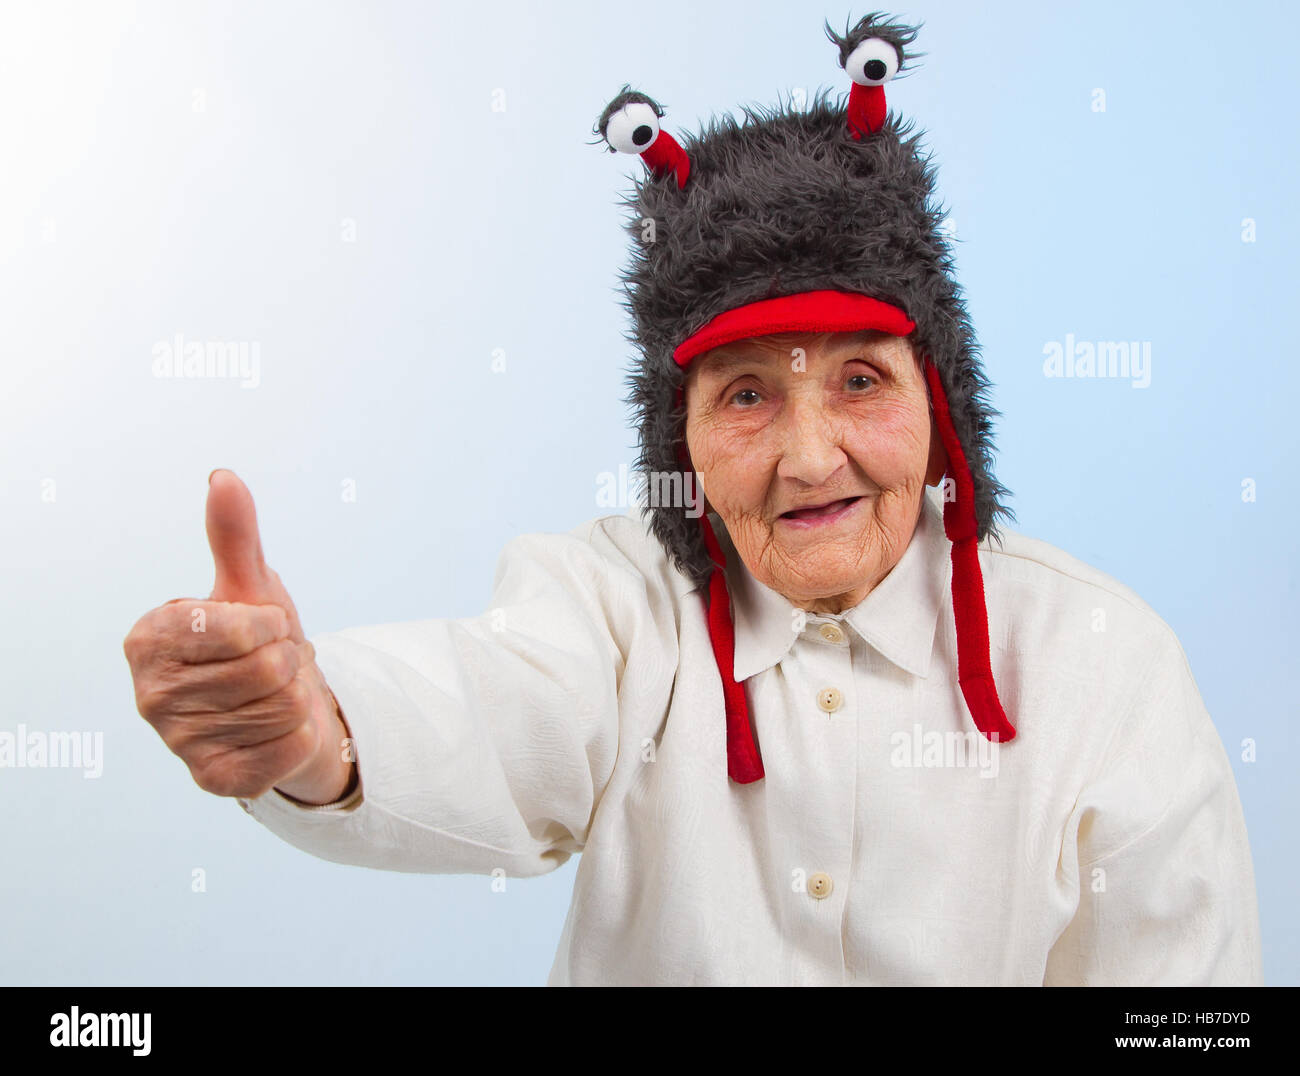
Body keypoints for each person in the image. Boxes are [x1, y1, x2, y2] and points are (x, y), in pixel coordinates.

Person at [122, 13, 1262, 986]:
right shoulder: (614, 609)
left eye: (859, 379)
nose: (810, 460)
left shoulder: (1108, 666)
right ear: (681, 437)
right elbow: (489, 701)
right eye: (748, 395)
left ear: (941, 404)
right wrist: (315, 726)